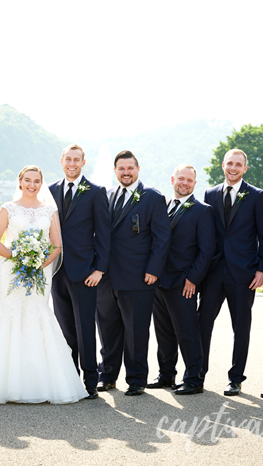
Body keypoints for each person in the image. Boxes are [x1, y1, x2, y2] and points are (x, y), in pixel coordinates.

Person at [0, 166, 88, 404]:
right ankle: (1, 382)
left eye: (36, 181)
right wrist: (16, 257)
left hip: (40, 273)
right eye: (27, 180)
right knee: (8, 314)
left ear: (41, 183)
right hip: (12, 270)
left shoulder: (50, 210)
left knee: (37, 315)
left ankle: (40, 382)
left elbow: (57, 245)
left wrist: (40, 262)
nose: (32, 184)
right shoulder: (8, 208)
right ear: (19, 182)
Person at [198, 149, 263, 396]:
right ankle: (198, 374)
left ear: (245, 168)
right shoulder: (210, 193)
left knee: (241, 326)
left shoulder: (256, 196)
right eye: (230, 163)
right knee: (203, 323)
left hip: (244, 274)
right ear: (223, 165)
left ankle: (235, 378)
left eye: (238, 164)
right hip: (213, 272)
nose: (233, 167)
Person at [96, 150, 171, 396]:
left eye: (130, 168)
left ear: (137, 169)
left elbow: (162, 238)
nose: (126, 172)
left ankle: (137, 379)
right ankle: (107, 376)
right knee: (108, 330)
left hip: (138, 277)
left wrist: (153, 270)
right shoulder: (107, 195)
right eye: (121, 168)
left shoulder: (152, 197)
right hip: (106, 277)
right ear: (115, 171)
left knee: (136, 331)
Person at [48, 144, 111, 400]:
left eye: (77, 160)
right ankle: (70, 378)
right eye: (68, 159)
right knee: (64, 329)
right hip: (55, 272)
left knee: (86, 327)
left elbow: (104, 234)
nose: (72, 163)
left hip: (85, 272)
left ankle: (90, 380)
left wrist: (99, 269)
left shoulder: (96, 192)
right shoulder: (49, 190)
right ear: (61, 161)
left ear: (83, 163)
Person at [148, 164, 215, 395]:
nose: (184, 183)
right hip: (159, 282)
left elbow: (207, 251)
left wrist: (193, 279)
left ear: (195, 184)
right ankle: (166, 375)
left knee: (187, 333)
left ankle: (194, 379)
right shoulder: (163, 206)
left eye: (189, 180)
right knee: (163, 333)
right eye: (181, 179)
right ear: (172, 179)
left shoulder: (202, 211)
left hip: (183, 283)